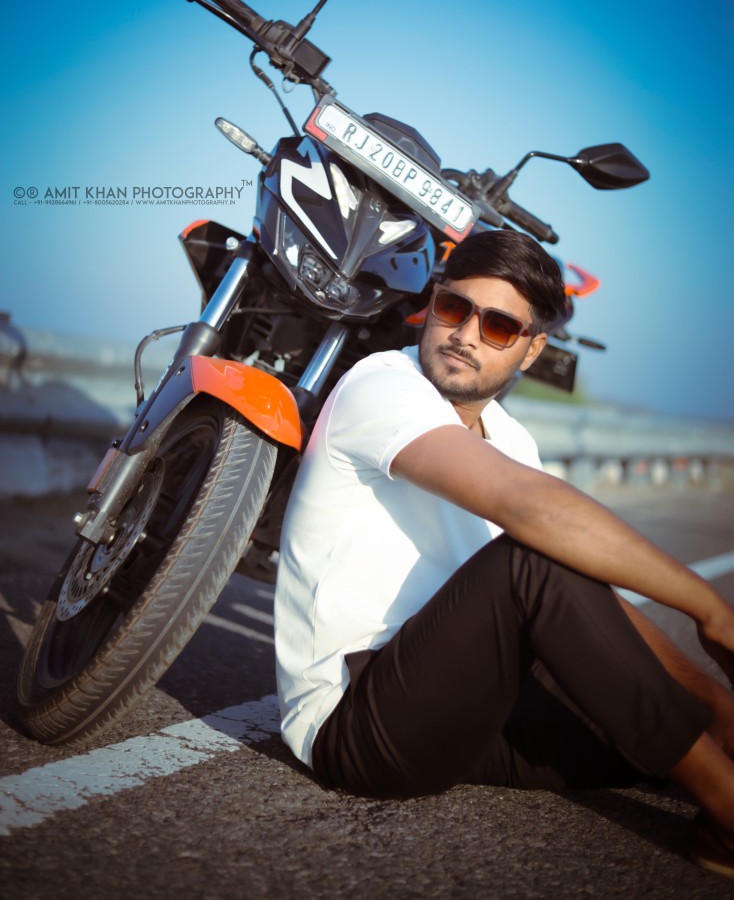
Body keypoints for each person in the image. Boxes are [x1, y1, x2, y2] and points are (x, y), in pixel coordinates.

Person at [274, 229, 734, 877]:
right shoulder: (380, 384)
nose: (465, 334)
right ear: (432, 302)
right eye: (454, 308)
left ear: (531, 348)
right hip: (356, 719)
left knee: (676, 728)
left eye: (498, 326)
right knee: (534, 553)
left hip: (473, 713)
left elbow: (579, 587)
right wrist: (710, 610)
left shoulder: (512, 439)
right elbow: (531, 513)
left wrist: (712, 702)